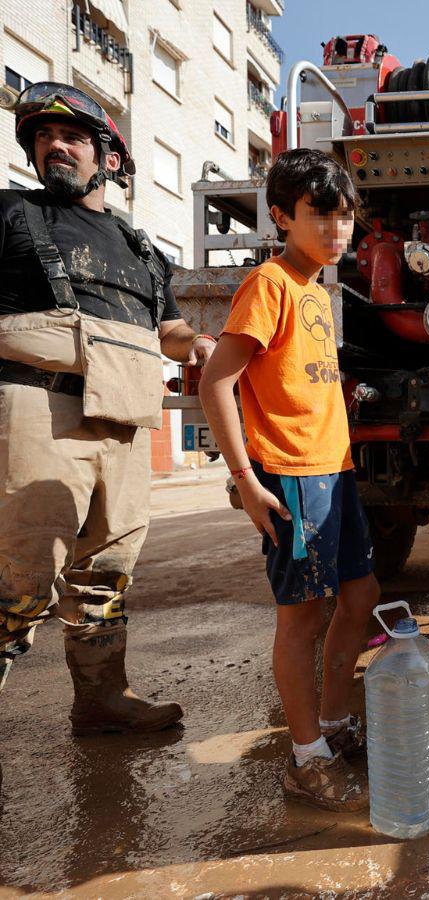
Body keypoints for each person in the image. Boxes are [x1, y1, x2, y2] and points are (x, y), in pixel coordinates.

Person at [0, 83, 216, 787]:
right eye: (41, 137)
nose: (53, 146)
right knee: (18, 583)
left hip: (123, 422)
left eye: (74, 137)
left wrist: (197, 344)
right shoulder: (10, 213)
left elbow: (167, 327)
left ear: (111, 158)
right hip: (39, 409)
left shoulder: (138, 246)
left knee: (106, 576)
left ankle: (102, 703)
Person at [199, 149, 379, 812]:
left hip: (335, 469)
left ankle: (331, 725)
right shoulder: (270, 283)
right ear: (280, 216)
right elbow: (218, 378)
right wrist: (245, 478)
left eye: (345, 217)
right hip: (291, 474)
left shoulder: (316, 290)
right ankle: (305, 759)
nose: (337, 230)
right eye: (319, 216)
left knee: (361, 599)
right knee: (302, 618)